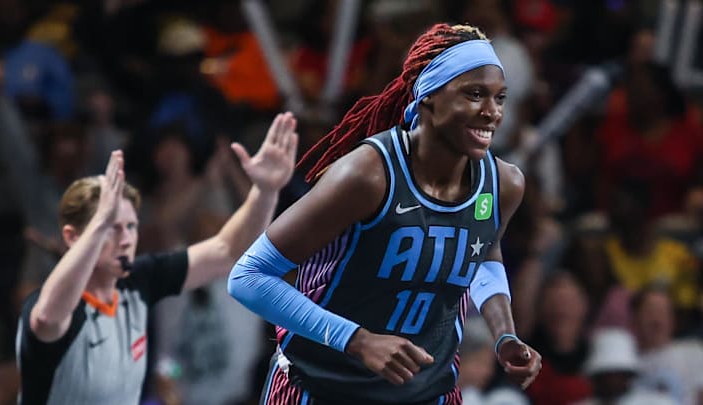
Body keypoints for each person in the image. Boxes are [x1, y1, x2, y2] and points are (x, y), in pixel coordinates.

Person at [228, 23, 542, 405]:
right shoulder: (367, 175)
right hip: (322, 388)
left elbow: (482, 254)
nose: (492, 112)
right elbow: (248, 277)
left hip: (428, 393)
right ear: (429, 97)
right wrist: (357, 341)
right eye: (475, 94)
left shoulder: (504, 184)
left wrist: (504, 333)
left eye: (500, 98)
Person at [15, 112, 299, 405]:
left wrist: (265, 191)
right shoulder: (53, 304)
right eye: (110, 227)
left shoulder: (140, 278)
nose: (125, 238)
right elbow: (48, 317)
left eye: (130, 226)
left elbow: (227, 250)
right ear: (74, 237)